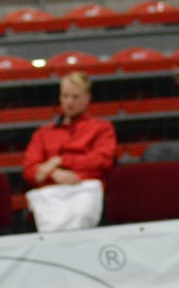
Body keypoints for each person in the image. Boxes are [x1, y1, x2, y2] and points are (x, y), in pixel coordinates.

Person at [22, 71, 116, 231]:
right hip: (51, 191)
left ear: (87, 98)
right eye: (65, 96)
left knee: (80, 214)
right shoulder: (43, 133)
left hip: (85, 188)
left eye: (75, 97)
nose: (69, 102)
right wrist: (54, 174)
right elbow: (30, 170)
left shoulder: (102, 128)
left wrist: (59, 161)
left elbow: (102, 161)